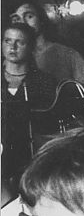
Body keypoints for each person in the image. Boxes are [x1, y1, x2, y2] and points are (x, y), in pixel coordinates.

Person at [1, 22, 58, 185]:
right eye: (7, 41)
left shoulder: (45, 82)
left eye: (20, 42)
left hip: (33, 162)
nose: (13, 46)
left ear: (31, 47)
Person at [11, 1, 84, 97]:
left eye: (29, 16)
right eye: (17, 19)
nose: (23, 22)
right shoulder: (11, 59)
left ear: (41, 20)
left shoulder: (67, 54)